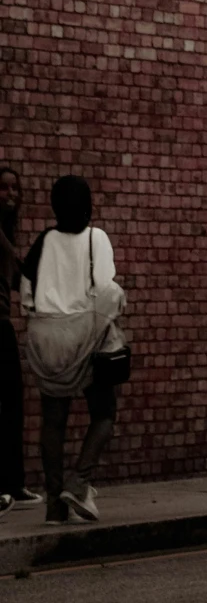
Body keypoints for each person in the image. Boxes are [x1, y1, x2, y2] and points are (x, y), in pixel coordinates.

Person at [19, 177, 121, 525]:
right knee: (104, 412)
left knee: (53, 421)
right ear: (88, 204)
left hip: (46, 337)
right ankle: (79, 482)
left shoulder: (44, 240)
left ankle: (53, 505)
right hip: (84, 335)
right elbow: (106, 287)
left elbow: (27, 292)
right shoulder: (97, 238)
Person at [0, 169, 32, 513]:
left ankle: (12, 483)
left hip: (3, 323)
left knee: (12, 404)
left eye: (14, 188)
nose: (10, 194)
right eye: (3, 187)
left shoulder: (5, 232)